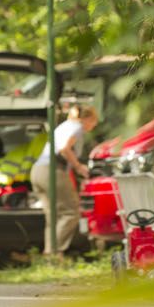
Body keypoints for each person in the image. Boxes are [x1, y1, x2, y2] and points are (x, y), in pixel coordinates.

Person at [33, 103, 100, 255]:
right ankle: (55, 253)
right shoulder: (76, 127)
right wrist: (78, 167)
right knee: (71, 212)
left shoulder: (65, 125)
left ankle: (50, 256)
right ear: (87, 118)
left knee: (53, 216)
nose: (94, 125)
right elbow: (64, 149)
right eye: (94, 121)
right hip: (51, 170)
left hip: (37, 171)